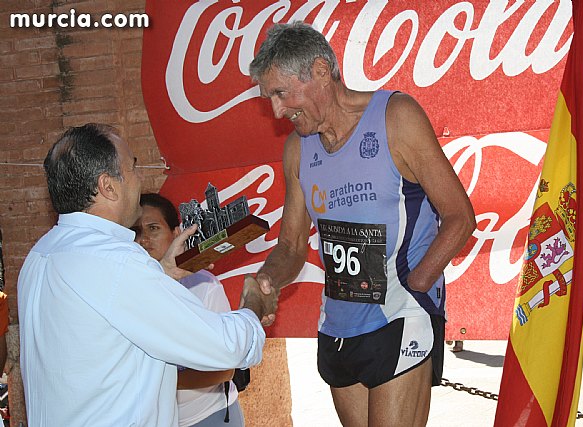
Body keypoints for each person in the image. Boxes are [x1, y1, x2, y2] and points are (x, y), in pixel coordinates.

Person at [245, 22, 476, 426]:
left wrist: (416, 285)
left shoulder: (396, 117)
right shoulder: (298, 147)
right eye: (270, 99)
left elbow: (460, 216)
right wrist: (267, 280)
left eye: (280, 93)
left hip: (401, 313)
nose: (277, 111)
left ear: (320, 71)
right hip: (338, 324)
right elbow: (292, 245)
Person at [17, 123, 275, 426]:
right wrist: (254, 305)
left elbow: (99, 325)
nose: (139, 181)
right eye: (133, 168)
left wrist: (161, 273)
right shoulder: (117, 262)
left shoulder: (40, 255)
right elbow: (225, 347)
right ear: (108, 186)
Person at [133, 193, 244, 427]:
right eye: (135, 231)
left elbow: (225, 370)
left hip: (209, 416)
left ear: (176, 233)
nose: (143, 239)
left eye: (153, 228)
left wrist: (162, 380)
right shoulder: (126, 291)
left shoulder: (204, 286)